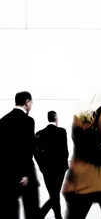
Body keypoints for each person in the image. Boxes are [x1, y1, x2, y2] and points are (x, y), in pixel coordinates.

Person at [0, 91, 40, 219]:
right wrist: (25, 174)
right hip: (25, 173)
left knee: (10, 210)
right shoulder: (28, 121)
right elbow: (27, 149)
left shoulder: (3, 120)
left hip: (7, 175)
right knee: (31, 210)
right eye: (31, 103)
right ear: (27, 102)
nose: (32, 106)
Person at [35, 110, 69, 219]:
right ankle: (41, 215)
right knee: (54, 195)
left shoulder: (39, 134)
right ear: (56, 118)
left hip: (47, 171)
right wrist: (64, 167)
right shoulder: (62, 132)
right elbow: (65, 152)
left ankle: (55, 216)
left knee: (54, 195)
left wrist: (42, 168)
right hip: (59, 171)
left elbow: (36, 153)